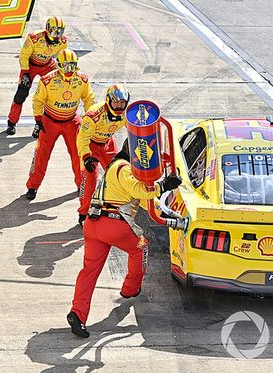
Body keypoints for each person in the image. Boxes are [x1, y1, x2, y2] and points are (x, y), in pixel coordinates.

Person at [68, 140, 183, 338]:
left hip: (93, 224)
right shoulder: (125, 168)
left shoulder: (113, 168)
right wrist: (163, 186)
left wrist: (169, 213)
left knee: (89, 272)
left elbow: (147, 202)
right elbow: (138, 191)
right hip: (113, 224)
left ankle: (77, 314)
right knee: (141, 247)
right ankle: (130, 289)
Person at [25, 49, 95, 201]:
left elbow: (89, 98)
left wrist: (89, 118)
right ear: (59, 65)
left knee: (79, 154)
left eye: (72, 66)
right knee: (41, 154)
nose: (69, 71)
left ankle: (81, 184)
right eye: (66, 66)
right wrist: (38, 120)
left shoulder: (82, 79)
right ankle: (32, 186)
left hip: (72, 120)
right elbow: (38, 100)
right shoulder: (47, 80)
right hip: (49, 121)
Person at [76, 85, 130, 225]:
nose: (119, 106)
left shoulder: (127, 113)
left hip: (107, 143)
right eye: (116, 102)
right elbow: (82, 138)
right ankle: (83, 214)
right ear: (108, 101)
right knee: (89, 180)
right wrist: (86, 157)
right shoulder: (93, 115)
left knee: (118, 174)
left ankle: (118, 208)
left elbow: (133, 129)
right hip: (90, 144)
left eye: (122, 103)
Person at [6, 17, 68, 135]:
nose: (57, 35)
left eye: (60, 31)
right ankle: (11, 122)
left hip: (48, 65)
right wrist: (24, 72)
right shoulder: (34, 38)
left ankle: (40, 124)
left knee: (52, 94)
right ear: (47, 29)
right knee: (21, 93)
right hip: (30, 65)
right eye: (54, 31)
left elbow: (62, 58)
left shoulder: (63, 41)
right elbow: (24, 55)